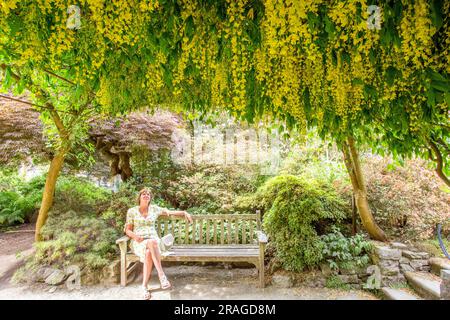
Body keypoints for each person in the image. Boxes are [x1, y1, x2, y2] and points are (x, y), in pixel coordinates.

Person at [124, 188, 193, 300]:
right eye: (143, 194)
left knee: (149, 251)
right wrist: (135, 236)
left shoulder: (154, 209)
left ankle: (144, 286)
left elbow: (170, 212)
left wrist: (184, 212)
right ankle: (162, 276)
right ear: (139, 197)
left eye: (148, 194)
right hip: (139, 242)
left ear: (150, 198)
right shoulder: (131, 211)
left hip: (153, 242)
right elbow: (127, 230)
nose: (146, 195)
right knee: (151, 244)